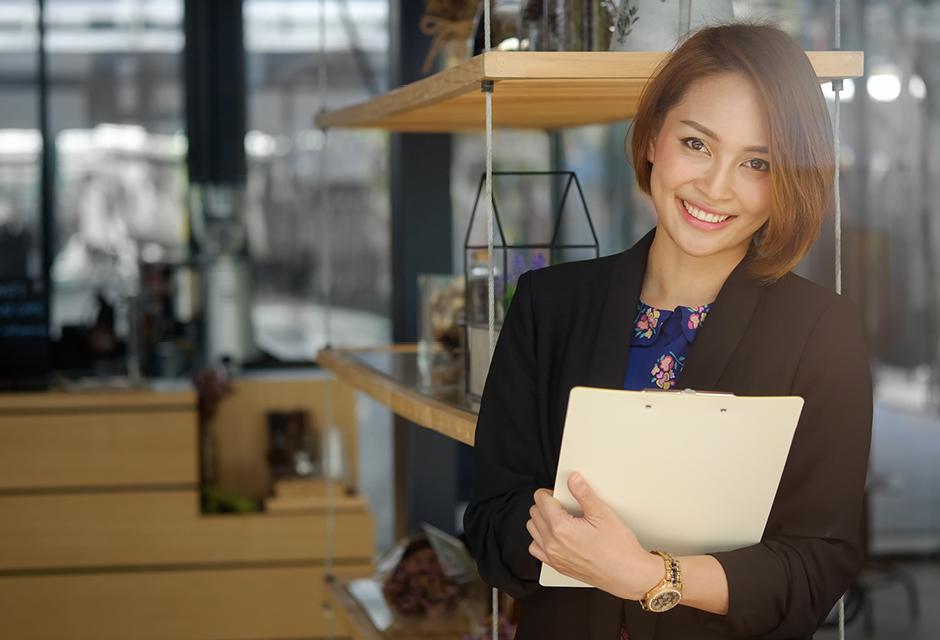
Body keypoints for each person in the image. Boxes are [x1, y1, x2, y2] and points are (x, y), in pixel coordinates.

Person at [463, 22, 872, 640]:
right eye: (698, 144)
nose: (715, 186)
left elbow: (819, 565)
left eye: (756, 162)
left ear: (787, 179)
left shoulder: (823, 331)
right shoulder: (549, 304)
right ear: (654, 135)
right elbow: (490, 523)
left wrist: (649, 575)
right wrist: (555, 533)